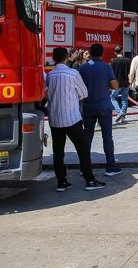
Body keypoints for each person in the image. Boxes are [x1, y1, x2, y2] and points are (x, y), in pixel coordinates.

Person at [45, 47, 106, 191]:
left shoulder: (50, 75)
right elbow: (84, 93)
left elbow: (47, 93)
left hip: (55, 118)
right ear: (66, 58)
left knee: (58, 151)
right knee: (83, 149)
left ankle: (62, 181)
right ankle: (89, 180)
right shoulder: (73, 73)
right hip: (72, 117)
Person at [79, 43, 122, 176]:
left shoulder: (83, 68)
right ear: (102, 53)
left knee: (87, 137)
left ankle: (84, 167)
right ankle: (110, 166)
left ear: (90, 54)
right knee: (107, 137)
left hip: (88, 106)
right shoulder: (106, 67)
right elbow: (115, 86)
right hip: (104, 106)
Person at [110, 45, 131, 124]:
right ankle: (123, 116)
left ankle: (120, 112)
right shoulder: (127, 60)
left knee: (112, 97)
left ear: (115, 52)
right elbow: (130, 72)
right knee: (124, 100)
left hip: (116, 83)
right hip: (126, 83)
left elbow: (111, 73)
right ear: (122, 51)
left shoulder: (113, 61)